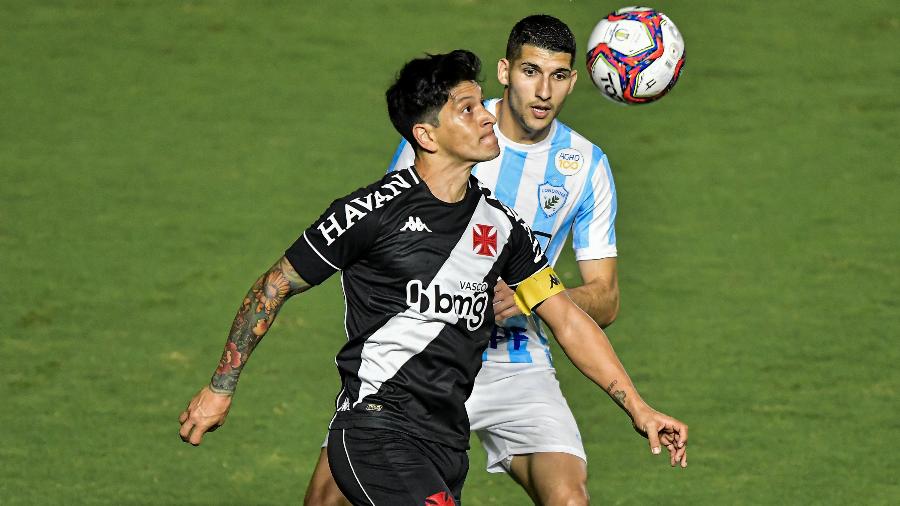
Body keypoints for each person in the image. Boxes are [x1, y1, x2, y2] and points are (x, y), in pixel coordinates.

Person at [179, 49, 687, 506]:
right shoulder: (369, 212)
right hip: (377, 427)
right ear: (426, 135)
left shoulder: (502, 227)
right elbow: (276, 284)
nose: (488, 116)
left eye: (480, 105)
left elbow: (567, 320)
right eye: (467, 110)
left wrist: (639, 409)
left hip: (445, 442)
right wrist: (221, 387)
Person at [304, 15, 662, 506]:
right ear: (505, 70)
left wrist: (529, 296)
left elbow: (604, 299)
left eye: (558, 76)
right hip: (420, 360)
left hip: (517, 365)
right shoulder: (450, 128)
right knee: (327, 499)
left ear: (575, 81)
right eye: (530, 71)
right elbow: (391, 239)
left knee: (569, 499)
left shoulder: (585, 167)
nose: (543, 92)